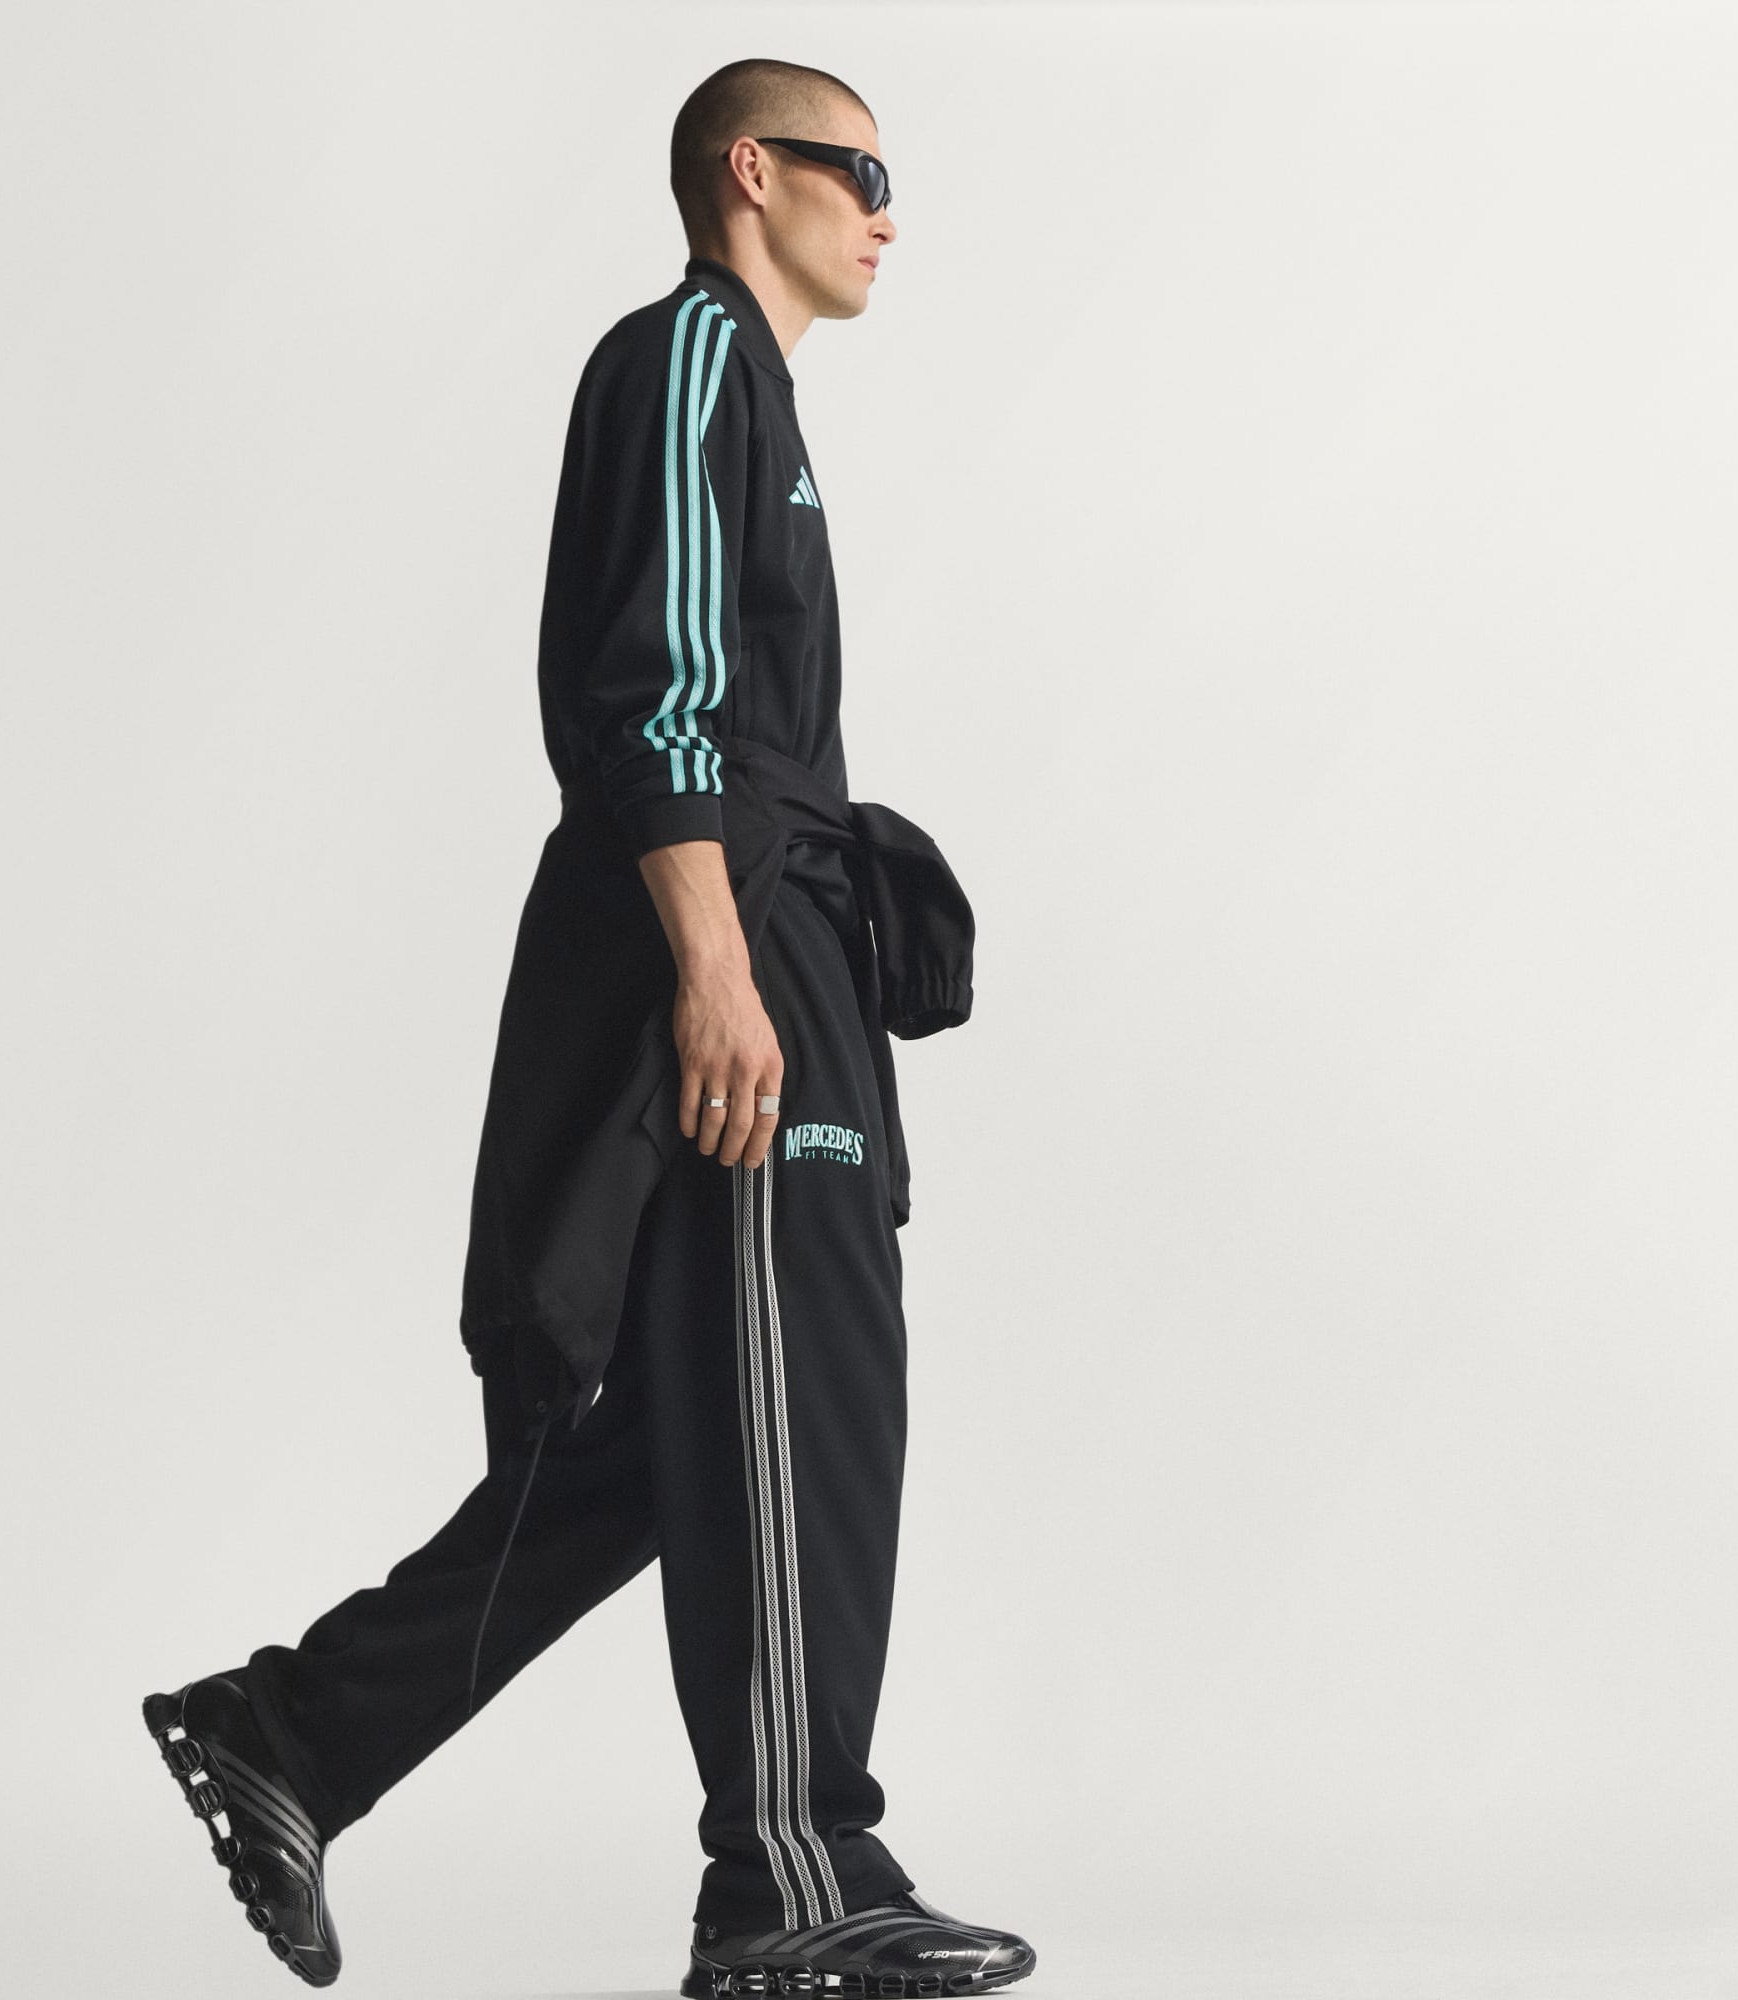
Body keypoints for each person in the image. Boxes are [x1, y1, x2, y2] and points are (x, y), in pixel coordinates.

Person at [141, 57, 1036, 1999]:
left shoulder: (753, 395)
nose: (889, 209)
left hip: (755, 919)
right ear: (751, 172)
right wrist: (719, 969)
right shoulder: (697, 358)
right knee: (797, 1386)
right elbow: (660, 694)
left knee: (671, 1434)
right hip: (731, 936)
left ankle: (292, 1733)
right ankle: (795, 1867)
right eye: (861, 168)